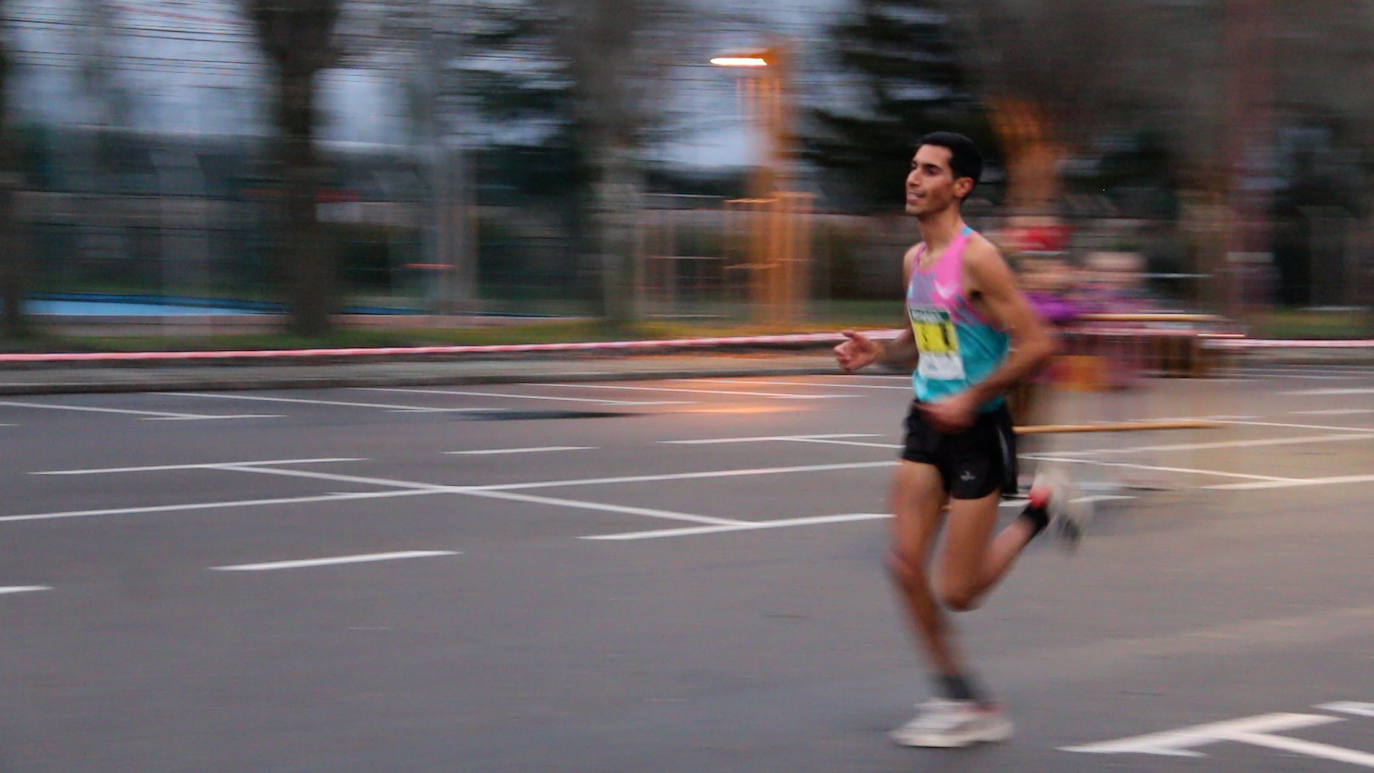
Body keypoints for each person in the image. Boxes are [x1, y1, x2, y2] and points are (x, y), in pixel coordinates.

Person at [833, 132, 1087, 748]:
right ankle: (963, 701)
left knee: (958, 592)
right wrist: (878, 352)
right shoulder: (915, 261)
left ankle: (1042, 508)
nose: (913, 179)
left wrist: (972, 397)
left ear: (961, 186)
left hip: (978, 431)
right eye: (912, 167)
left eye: (929, 170)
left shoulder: (980, 259)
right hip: (926, 423)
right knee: (903, 566)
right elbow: (920, 341)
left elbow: (1040, 343)